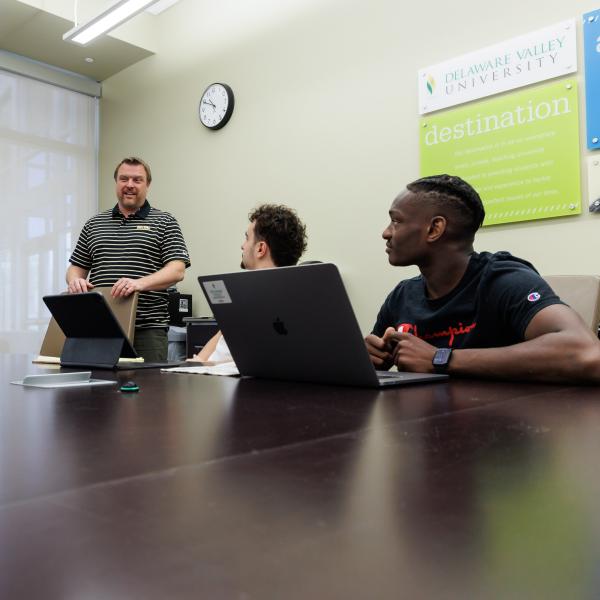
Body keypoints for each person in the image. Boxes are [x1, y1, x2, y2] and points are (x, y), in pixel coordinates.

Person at [365, 174, 600, 383]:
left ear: (434, 229)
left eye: (396, 221)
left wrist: (440, 358)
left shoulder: (504, 280)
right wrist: (369, 359)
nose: (386, 232)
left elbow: (588, 354)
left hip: (504, 425)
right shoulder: (402, 296)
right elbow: (375, 358)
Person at [66, 157, 190, 362]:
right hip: (100, 329)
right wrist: (75, 281)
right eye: (124, 179)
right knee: (97, 391)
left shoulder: (165, 222)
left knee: (149, 393)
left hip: (147, 330)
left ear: (147, 185)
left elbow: (177, 270)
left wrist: (138, 283)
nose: (130, 185)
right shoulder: (94, 224)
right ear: (116, 182)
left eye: (137, 180)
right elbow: (75, 269)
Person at [192, 204, 307, 363]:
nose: (243, 245)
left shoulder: (282, 302)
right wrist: (197, 362)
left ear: (260, 249)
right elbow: (224, 332)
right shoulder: (246, 294)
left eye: (247, 238)